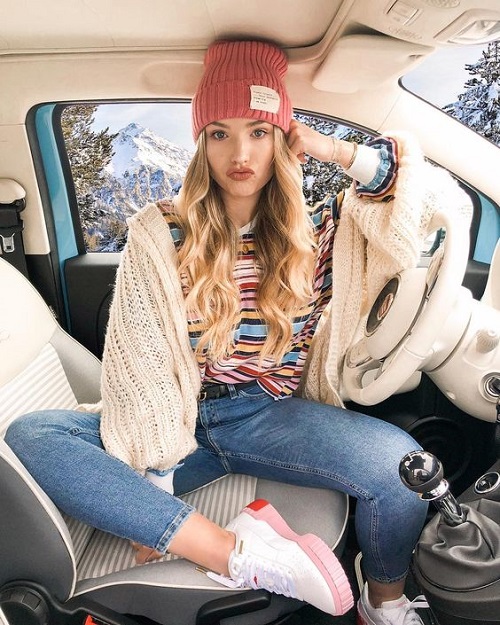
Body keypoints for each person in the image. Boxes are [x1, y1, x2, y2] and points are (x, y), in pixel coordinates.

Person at [6, 38, 470, 625]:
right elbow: (144, 365)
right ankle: (238, 553)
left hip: (266, 415)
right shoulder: (162, 231)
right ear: (201, 144)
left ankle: (384, 605)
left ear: (282, 138)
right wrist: (156, 489)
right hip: (177, 420)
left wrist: (327, 146)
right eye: (220, 133)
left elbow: (425, 205)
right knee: (33, 435)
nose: (240, 152)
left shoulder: (321, 232)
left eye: (259, 131)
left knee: (404, 469)